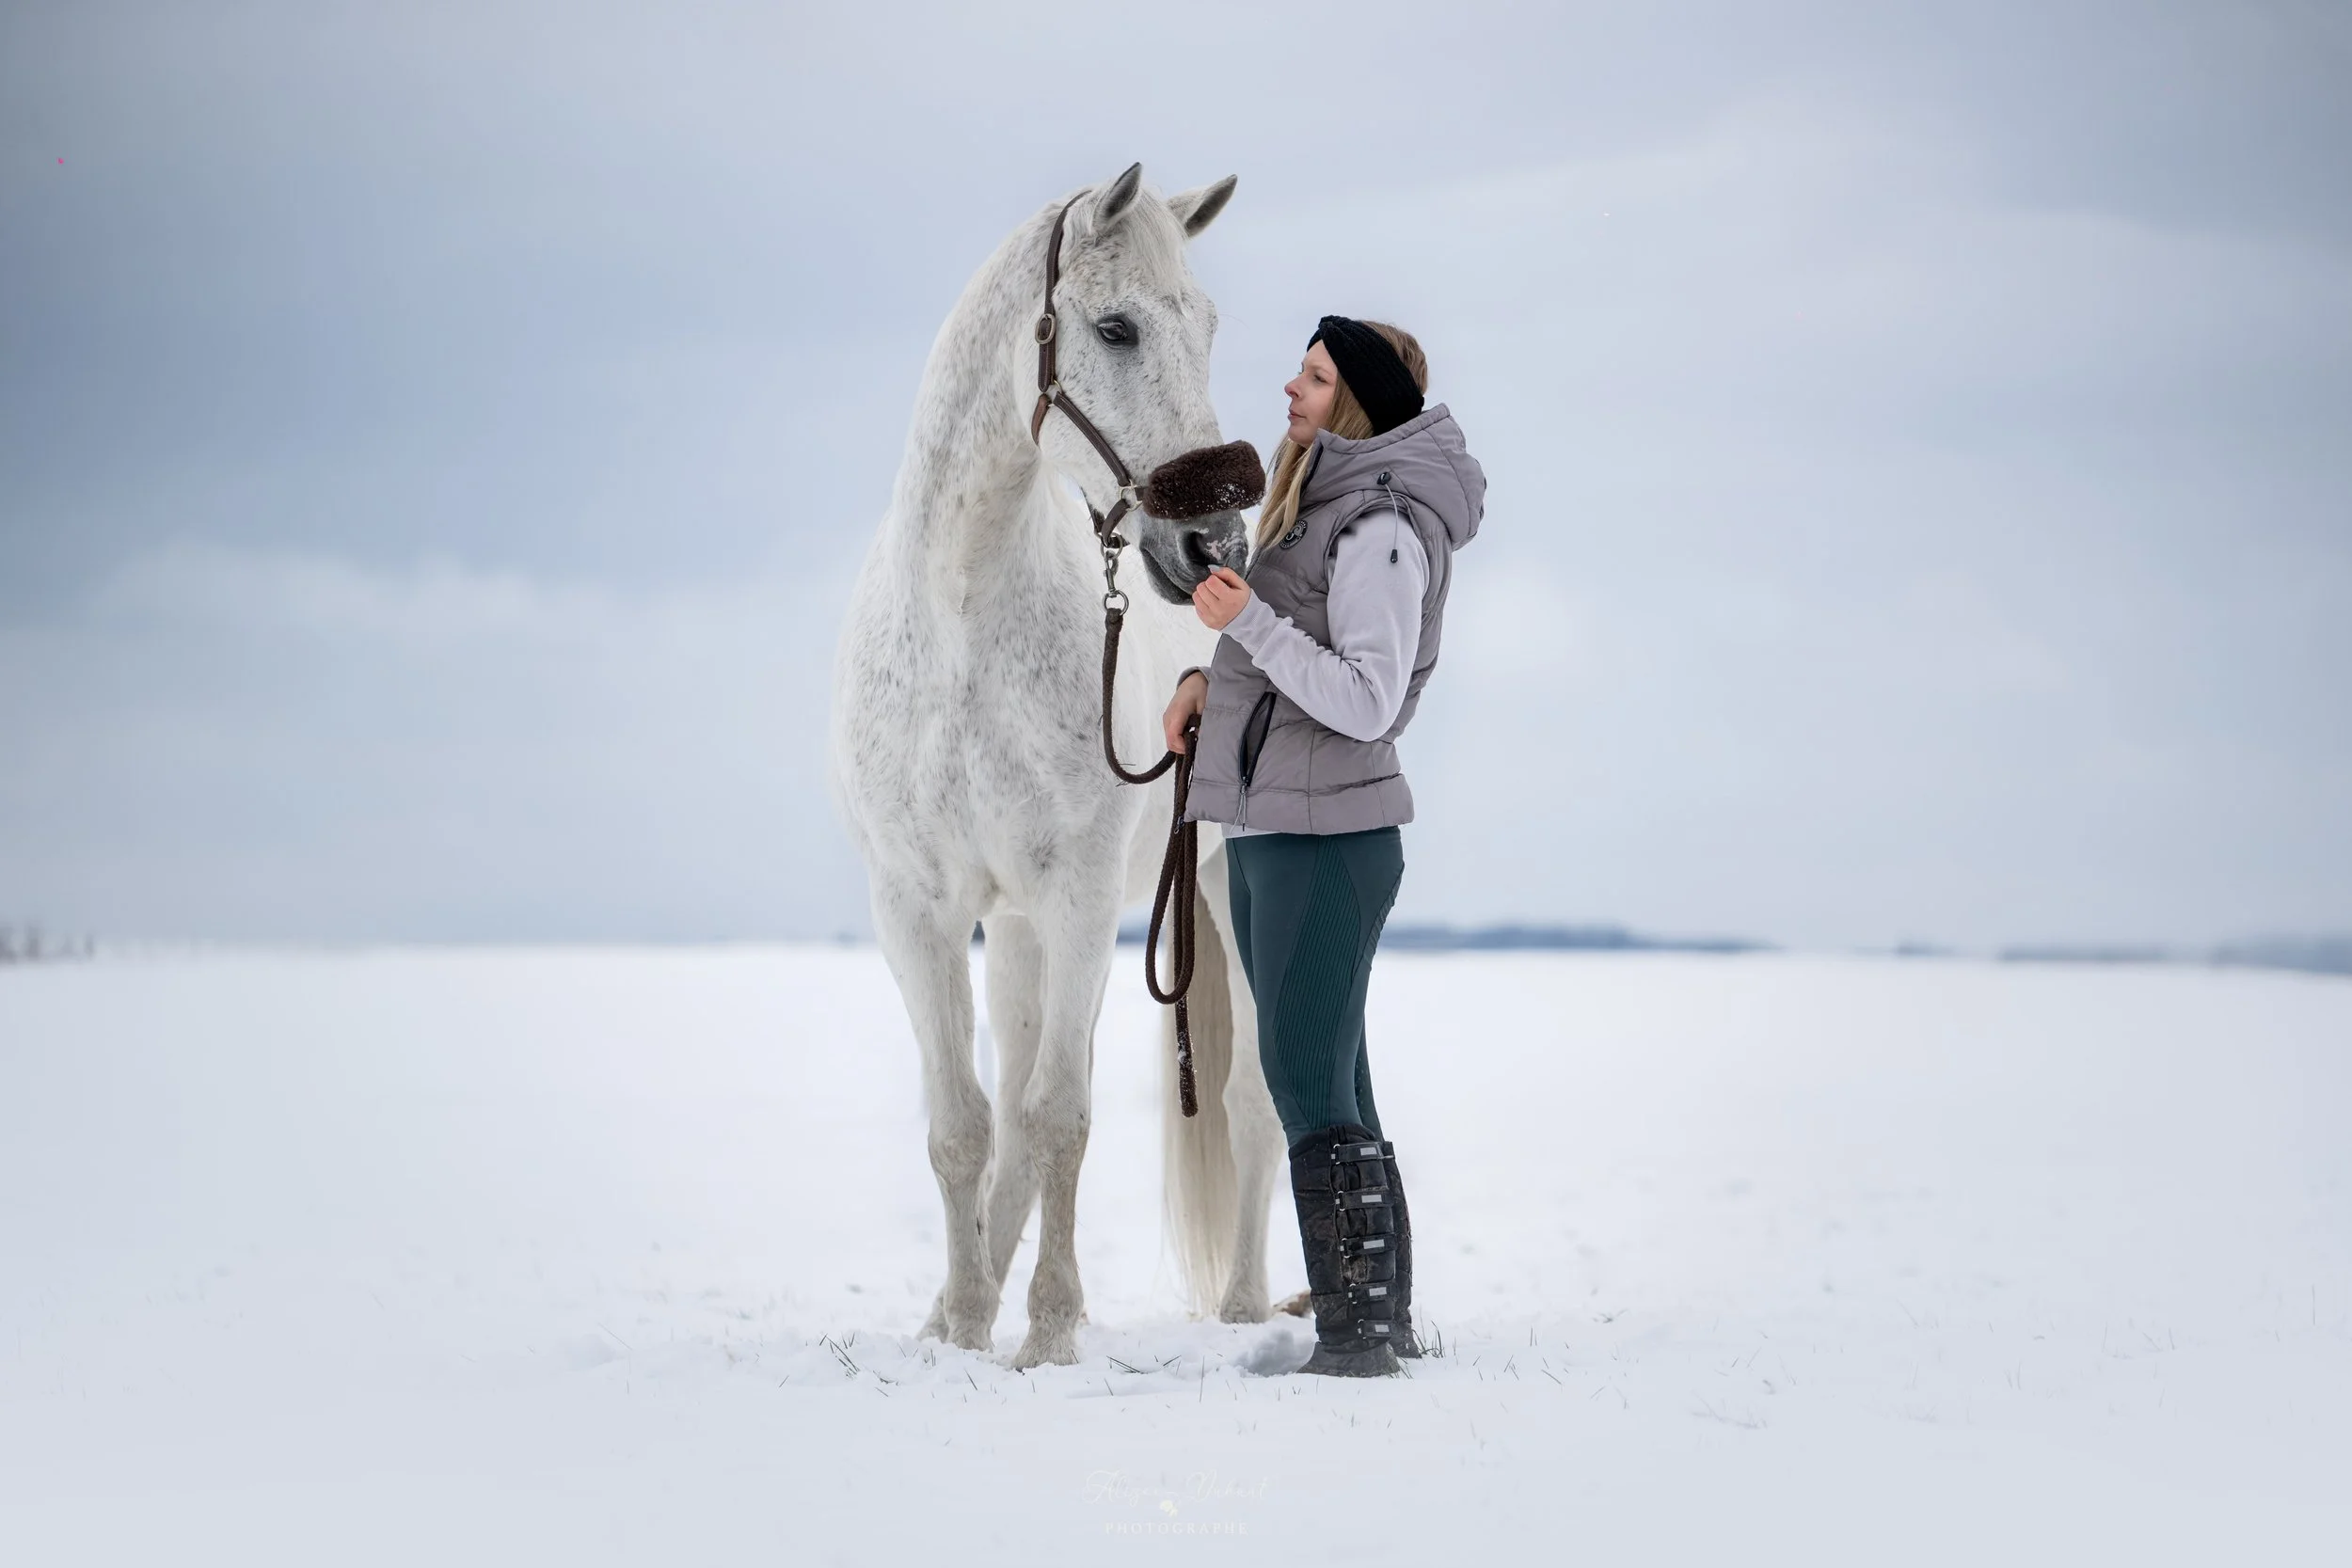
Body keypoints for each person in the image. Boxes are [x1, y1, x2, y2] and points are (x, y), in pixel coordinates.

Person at [1162, 316, 1486, 1376]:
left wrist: (1248, 625)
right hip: (1275, 825)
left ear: (1356, 400)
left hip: (1327, 835)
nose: (1290, 390)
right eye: (1299, 371)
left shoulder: (1380, 526)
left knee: (1305, 1078)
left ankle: (1355, 1340)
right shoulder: (1315, 504)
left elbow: (1365, 696)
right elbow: (1286, 661)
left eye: (1314, 376)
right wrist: (1212, 678)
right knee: (1336, 1076)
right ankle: (1375, 1318)